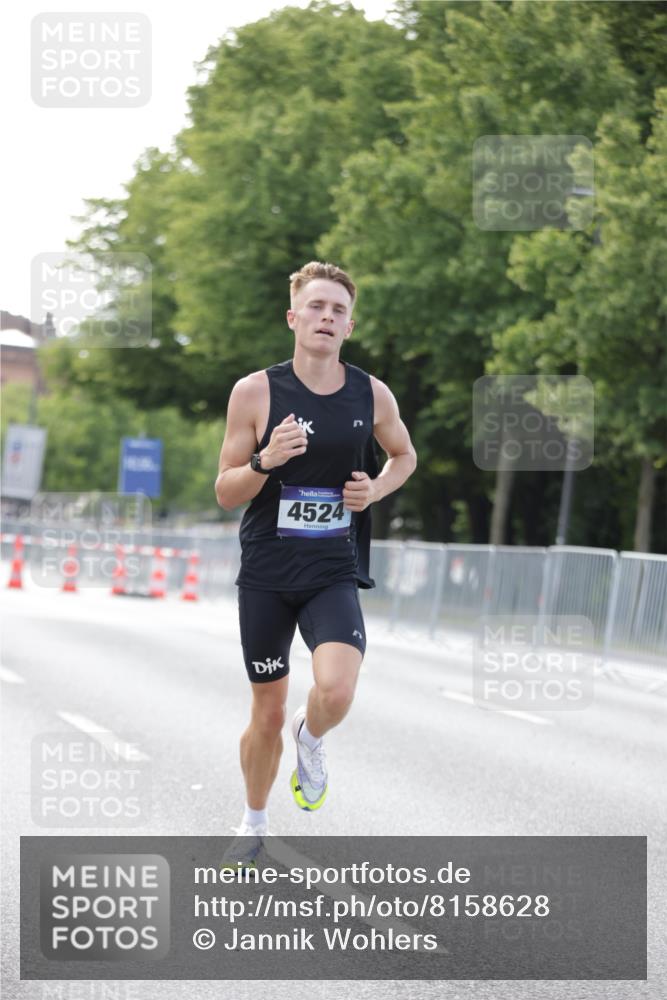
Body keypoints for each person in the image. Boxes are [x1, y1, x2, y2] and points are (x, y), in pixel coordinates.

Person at [215, 261, 417, 866]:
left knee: (337, 688)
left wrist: (374, 491)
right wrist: (265, 461)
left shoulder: (371, 394)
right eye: (317, 306)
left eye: (338, 310)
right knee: (267, 712)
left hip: (331, 568)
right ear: (293, 317)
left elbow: (404, 456)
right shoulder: (255, 392)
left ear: (349, 326)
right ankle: (253, 822)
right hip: (267, 575)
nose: (327, 317)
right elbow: (225, 491)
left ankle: (313, 734)